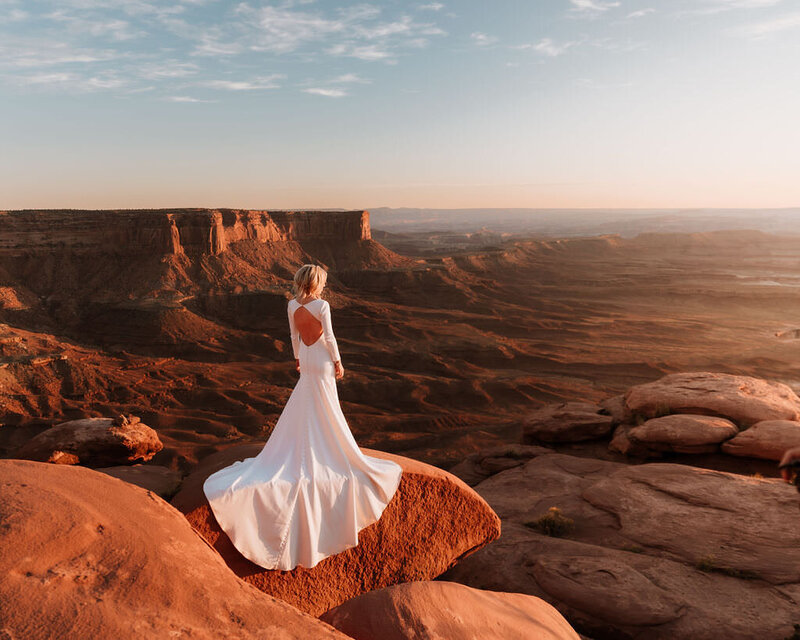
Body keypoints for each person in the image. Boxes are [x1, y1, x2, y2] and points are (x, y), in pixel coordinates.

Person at [202, 264, 403, 571]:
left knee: (307, 401)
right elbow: (331, 338)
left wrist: (297, 359)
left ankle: (306, 443)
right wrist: (338, 363)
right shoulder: (322, 305)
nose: (323, 285)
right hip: (321, 358)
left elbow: (294, 336)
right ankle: (329, 448)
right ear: (316, 283)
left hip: (306, 359)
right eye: (322, 281)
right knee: (327, 406)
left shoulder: (292, 305)